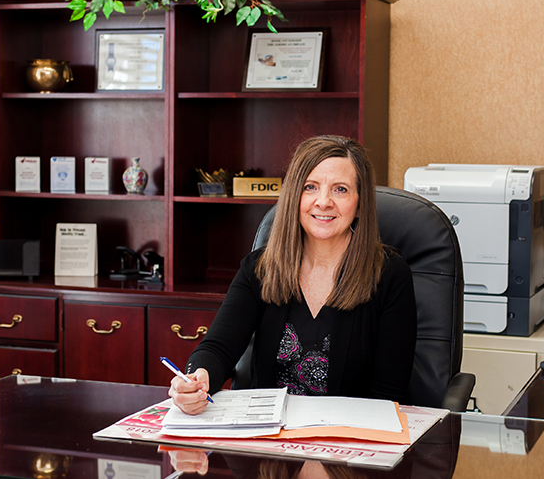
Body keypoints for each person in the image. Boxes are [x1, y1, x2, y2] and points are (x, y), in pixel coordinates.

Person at [169, 135, 417, 415]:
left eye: (340, 190)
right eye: (310, 187)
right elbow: (217, 349)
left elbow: (388, 393)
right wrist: (198, 378)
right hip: (269, 439)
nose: (323, 202)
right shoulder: (260, 268)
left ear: (359, 204)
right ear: (294, 196)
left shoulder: (389, 275)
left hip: (348, 442)